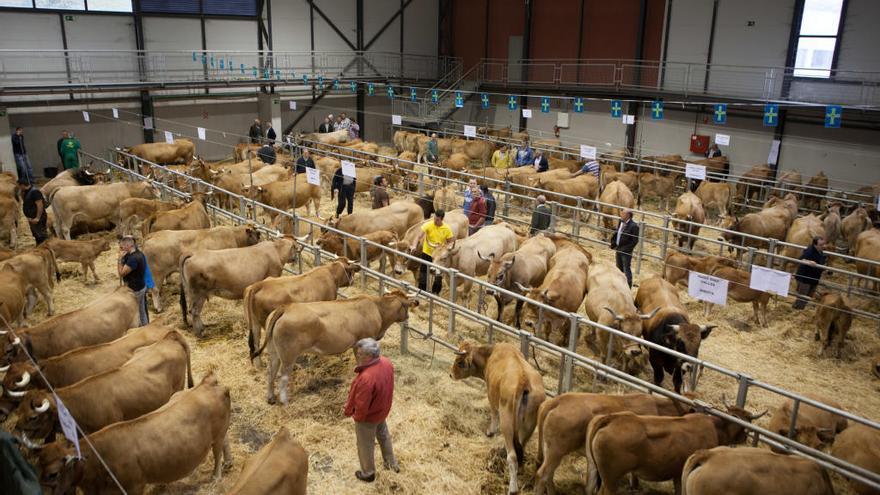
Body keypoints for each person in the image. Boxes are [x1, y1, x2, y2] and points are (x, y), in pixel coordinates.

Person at [344, 338, 399, 482]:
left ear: (369, 356)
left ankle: (368, 473)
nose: (358, 356)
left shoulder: (366, 378)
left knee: (365, 444)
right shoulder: (386, 362)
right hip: (382, 409)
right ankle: (391, 464)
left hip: (369, 417)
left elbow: (362, 404)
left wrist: (357, 418)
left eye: (360, 354)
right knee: (384, 435)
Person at [410, 210, 454, 294]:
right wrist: (414, 246)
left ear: (442, 219)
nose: (435, 221)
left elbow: (450, 242)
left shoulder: (447, 229)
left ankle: (435, 292)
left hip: (438, 256)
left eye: (437, 219)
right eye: (434, 218)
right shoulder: (428, 225)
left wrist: (444, 247)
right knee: (423, 272)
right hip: (427, 252)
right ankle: (422, 291)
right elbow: (418, 236)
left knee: (438, 275)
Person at [117, 235, 149, 327]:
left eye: (123, 246)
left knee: (135, 312)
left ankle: (139, 331)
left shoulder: (133, 259)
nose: (121, 248)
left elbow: (121, 273)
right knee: (142, 310)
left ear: (129, 245)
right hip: (141, 286)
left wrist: (119, 259)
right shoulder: (139, 253)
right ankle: (145, 328)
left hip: (135, 290)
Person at [793, 236, 828, 310]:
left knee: (808, 296)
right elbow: (800, 260)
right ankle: (797, 309)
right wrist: (809, 262)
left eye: (824, 244)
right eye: (821, 245)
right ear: (815, 245)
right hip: (805, 279)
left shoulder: (820, 251)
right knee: (802, 296)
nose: (823, 246)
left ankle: (799, 309)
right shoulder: (810, 251)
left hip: (814, 278)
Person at [610, 209, 639, 287]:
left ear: (628, 215)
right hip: (618, 248)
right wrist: (613, 243)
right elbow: (617, 233)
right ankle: (618, 284)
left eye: (623, 214)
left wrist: (626, 249)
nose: (621, 215)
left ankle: (628, 286)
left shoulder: (634, 226)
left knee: (626, 269)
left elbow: (635, 241)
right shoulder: (621, 222)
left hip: (626, 251)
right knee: (618, 268)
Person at [18, 178, 47, 244]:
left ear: (22, 185)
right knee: (36, 235)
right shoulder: (25, 192)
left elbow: (40, 205)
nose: (18, 188)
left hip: (37, 217)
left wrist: (37, 218)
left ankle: (44, 248)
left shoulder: (35, 192)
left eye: (19, 186)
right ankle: (39, 247)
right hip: (32, 217)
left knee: (41, 235)